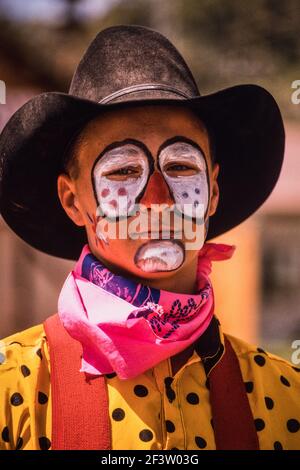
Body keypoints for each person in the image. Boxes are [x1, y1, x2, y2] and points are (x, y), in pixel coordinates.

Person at [0, 25, 299, 451]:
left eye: (180, 167)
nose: (158, 199)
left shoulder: (286, 400)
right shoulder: (12, 393)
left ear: (212, 192)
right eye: (123, 171)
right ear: (72, 199)